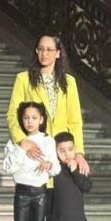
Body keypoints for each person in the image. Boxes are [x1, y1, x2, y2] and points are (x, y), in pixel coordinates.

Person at [6, 34, 89, 175]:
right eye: (40, 49)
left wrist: (79, 153)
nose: (44, 54)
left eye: (49, 50)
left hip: (62, 152)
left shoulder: (69, 82)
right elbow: (12, 115)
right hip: (35, 151)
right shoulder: (23, 79)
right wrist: (22, 140)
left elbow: (75, 121)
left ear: (57, 53)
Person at [2, 101, 60, 221]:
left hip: (40, 192)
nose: (30, 122)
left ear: (41, 120)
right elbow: (8, 167)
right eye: (26, 118)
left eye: (34, 118)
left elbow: (57, 168)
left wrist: (49, 165)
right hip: (22, 192)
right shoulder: (14, 141)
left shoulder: (48, 141)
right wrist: (21, 147)